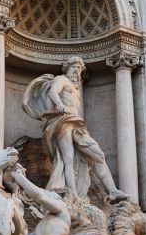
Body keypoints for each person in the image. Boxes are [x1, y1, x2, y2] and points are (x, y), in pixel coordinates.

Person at [22, 57, 127, 201]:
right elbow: (53, 92)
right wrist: (59, 105)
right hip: (63, 121)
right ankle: (73, 194)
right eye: (74, 67)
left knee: (99, 155)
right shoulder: (61, 79)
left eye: (79, 68)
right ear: (67, 68)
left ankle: (113, 191)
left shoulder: (76, 88)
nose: (76, 71)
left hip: (76, 124)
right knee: (68, 159)